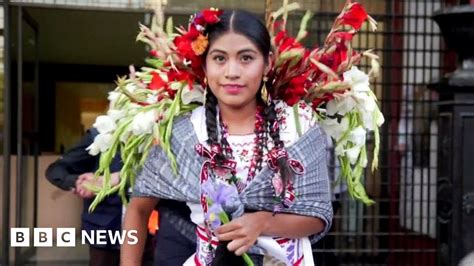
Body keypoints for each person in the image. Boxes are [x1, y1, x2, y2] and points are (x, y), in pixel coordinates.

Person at [121, 10, 333, 265]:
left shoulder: (298, 125)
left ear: (267, 63)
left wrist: (263, 222)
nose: (232, 72)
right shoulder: (182, 133)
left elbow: (318, 216)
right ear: (205, 65)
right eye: (219, 58)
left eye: (246, 58)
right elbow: (138, 208)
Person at [46, 128, 193, 266]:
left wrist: (113, 180)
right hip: (106, 229)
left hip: (152, 230)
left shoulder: (162, 131)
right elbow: (56, 170)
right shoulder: (100, 133)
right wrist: (78, 182)